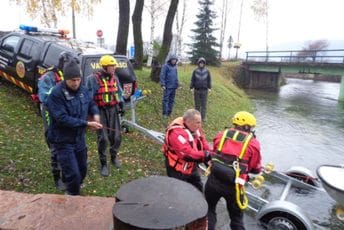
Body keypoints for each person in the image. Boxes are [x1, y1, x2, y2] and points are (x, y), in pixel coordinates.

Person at [46, 59, 102, 195]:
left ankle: (71, 184)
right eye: (72, 80)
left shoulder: (82, 89)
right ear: (65, 79)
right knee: (74, 175)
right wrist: (86, 124)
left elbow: (91, 103)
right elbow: (61, 119)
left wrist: (95, 114)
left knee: (82, 170)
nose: (76, 83)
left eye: (78, 79)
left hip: (79, 139)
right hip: (63, 140)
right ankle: (71, 196)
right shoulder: (56, 94)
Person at [204, 111, 262, 230]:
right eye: (250, 127)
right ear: (246, 126)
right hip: (235, 186)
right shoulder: (253, 143)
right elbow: (254, 168)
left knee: (209, 211)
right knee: (236, 220)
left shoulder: (221, 135)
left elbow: (214, 154)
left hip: (214, 180)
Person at [37, 51, 75, 191]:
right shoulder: (48, 77)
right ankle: (57, 176)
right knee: (55, 144)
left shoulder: (70, 77)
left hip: (67, 114)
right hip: (51, 114)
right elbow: (44, 97)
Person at [86, 55, 123, 177]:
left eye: (114, 66)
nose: (113, 69)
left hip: (113, 110)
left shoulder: (115, 78)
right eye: (111, 67)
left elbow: (119, 93)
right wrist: (91, 113)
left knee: (117, 137)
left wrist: (121, 105)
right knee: (103, 138)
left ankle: (113, 157)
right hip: (100, 110)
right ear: (104, 67)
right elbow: (88, 98)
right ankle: (103, 164)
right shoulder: (92, 79)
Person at [162, 109, 212, 192]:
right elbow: (186, 154)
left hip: (191, 167)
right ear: (188, 122)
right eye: (198, 122)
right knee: (178, 191)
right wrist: (205, 155)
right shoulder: (176, 133)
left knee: (198, 187)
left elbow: (202, 141)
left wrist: (209, 156)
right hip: (177, 170)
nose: (200, 125)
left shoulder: (195, 128)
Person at [190, 57, 212, 122]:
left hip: (204, 90)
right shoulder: (195, 71)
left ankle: (203, 117)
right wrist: (191, 87)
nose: (201, 64)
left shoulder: (207, 71)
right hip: (196, 90)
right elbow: (192, 80)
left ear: (204, 64)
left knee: (204, 105)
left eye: (202, 63)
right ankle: (197, 118)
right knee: (197, 105)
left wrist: (209, 87)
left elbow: (209, 80)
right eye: (200, 63)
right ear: (198, 63)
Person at [160, 54, 179, 118]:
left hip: (173, 87)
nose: (174, 61)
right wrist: (163, 84)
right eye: (173, 60)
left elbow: (176, 76)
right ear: (170, 60)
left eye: (175, 60)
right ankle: (165, 113)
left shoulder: (175, 67)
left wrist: (177, 84)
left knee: (172, 100)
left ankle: (169, 112)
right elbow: (162, 75)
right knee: (166, 100)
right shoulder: (165, 66)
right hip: (167, 87)